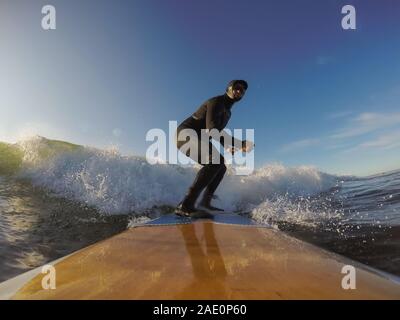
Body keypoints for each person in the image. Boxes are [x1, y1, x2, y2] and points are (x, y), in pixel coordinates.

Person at [174, 80, 252, 217]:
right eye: (237, 88)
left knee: (221, 166)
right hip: (185, 134)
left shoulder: (228, 112)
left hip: (200, 138)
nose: (240, 91)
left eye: (243, 90)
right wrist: (240, 143)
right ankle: (185, 205)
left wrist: (229, 146)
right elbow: (212, 130)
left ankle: (205, 202)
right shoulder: (216, 102)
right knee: (215, 160)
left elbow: (218, 132)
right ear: (228, 88)